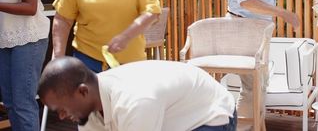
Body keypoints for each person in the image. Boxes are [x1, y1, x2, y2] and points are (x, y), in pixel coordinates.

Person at [38, 57, 237, 131]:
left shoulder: (136, 102)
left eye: (61, 109)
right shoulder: (87, 110)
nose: (62, 117)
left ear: (82, 91)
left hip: (211, 115)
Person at [0, 0, 50, 130]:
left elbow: (30, 8)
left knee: (23, 103)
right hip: (5, 40)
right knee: (10, 103)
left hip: (28, 40)